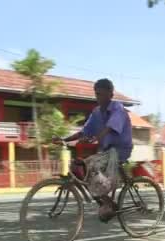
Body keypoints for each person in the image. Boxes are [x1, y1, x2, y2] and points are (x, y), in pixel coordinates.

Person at [54, 78, 133, 222]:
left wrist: (97, 137)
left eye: (102, 94)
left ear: (111, 94)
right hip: (106, 150)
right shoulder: (96, 112)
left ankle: (107, 198)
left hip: (120, 149)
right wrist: (64, 140)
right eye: (97, 94)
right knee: (82, 167)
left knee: (91, 163)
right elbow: (84, 132)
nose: (99, 98)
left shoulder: (118, 109)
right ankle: (106, 201)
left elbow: (110, 127)